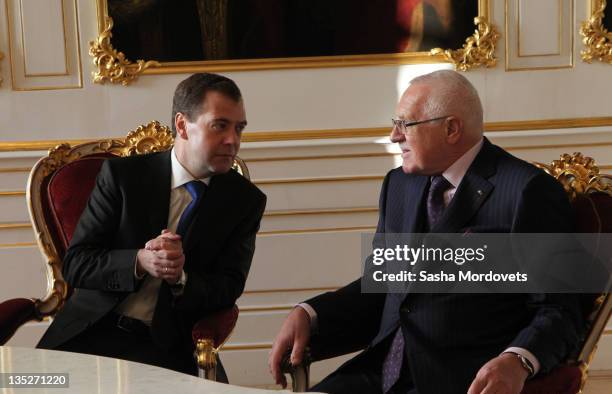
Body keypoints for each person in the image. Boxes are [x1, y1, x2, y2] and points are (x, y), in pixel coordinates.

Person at [268, 70, 583, 394]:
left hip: (462, 381)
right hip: (381, 374)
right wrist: (311, 313)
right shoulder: (399, 185)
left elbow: (559, 311)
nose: (393, 135)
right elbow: (383, 285)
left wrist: (517, 361)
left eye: (406, 124)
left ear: (451, 128)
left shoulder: (526, 192)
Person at [37, 73, 267, 381]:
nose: (233, 140)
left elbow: (228, 287)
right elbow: (77, 264)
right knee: (19, 383)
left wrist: (181, 277)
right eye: (220, 126)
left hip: (169, 346)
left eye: (239, 128)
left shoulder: (243, 201)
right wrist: (139, 261)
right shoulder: (123, 177)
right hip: (91, 332)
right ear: (182, 125)